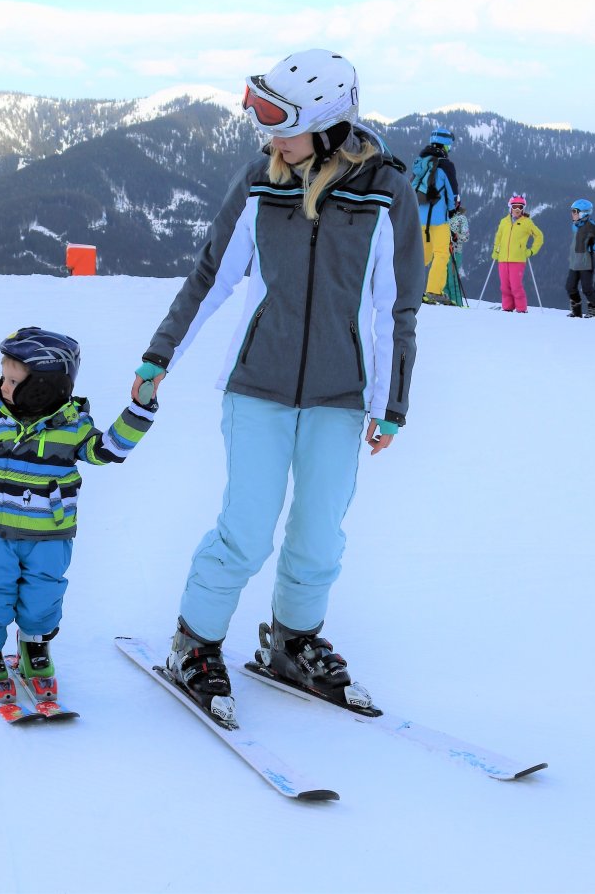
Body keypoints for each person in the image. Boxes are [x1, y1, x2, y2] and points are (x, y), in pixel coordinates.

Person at [131, 48, 425, 725]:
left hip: (340, 398)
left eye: (281, 123)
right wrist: (159, 355)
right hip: (257, 387)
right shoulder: (260, 185)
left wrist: (392, 403)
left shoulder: (386, 191)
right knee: (246, 529)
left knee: (320, 533)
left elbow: (394, 307)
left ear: (327, 124)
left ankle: (294, 643)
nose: (269, 138)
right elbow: (211, 277)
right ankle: (194, 644)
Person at [0, 326, 157, 701]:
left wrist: (138, 410)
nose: (3, 387)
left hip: (50, 539)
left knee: (44, 598)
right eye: (3, 378)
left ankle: (34, 647)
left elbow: (109, 450)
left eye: (12, 380)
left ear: (43, 386)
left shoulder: (72, 428)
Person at [411, 128, 459, 304]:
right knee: (441, 254)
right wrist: (453, 210)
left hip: (419, 216)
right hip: (438, 219)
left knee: (422, 255)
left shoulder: (422, 161)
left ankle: (409, 287)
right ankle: (433, 291)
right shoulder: (446, 165)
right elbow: (453, 192)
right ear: (447, 145)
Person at [490, 194, 544, 313]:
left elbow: (539, 236)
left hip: (518, 259)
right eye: (515, 207)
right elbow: (498, 237)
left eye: (520, 207)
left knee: (516, 286)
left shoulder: (527, 222)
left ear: (523, 209)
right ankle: (507, 307)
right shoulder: (504, 221)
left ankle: (521, 309)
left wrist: (531, 251)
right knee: (504, 286)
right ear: (510, 208)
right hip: (503, 259)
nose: (517, 210)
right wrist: (495, 250)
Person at [565, 200, 595, 318]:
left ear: (584, 213)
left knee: (587, 288)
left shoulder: (591, 227)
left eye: (575, 211)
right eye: (572, 211)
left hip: (586, 263)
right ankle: (576, 311)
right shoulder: (575, 225)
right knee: (570, 286)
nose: (572, 214)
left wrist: (594, 247)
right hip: (574, 263)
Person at [445, 200, 470, 306]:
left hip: (455, 252)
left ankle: (457, 304)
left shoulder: (461, 218)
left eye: (455, 203)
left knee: (453, 279)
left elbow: (466, 237)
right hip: (440, 252)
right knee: (442, 280)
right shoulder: (442, 216)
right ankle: (445, 302)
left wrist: (456, 236)